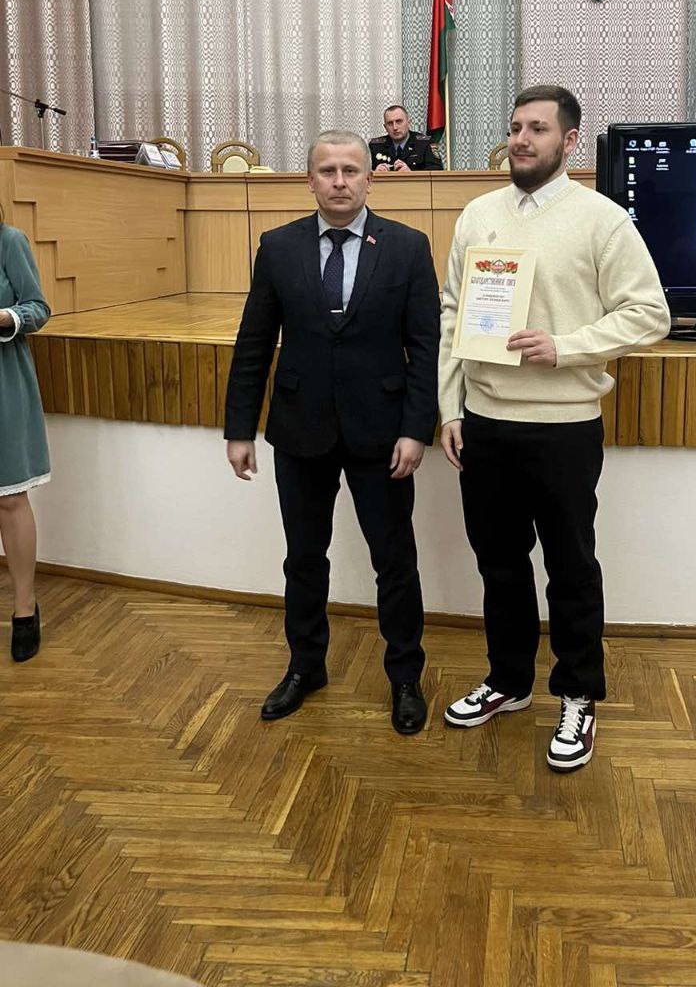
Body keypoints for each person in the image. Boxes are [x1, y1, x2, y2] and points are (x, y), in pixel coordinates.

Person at [438, 85, 670, 771]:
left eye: (538, 129)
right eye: (516, 127)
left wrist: (564, 346)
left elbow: (649, 314)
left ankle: (577, 694)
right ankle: (508, 681)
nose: (521, 139)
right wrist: (449, 408)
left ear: (569, 141)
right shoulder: (478, 214)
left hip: (563, 428)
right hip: (484, 424)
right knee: (499, 565)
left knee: (570, 568)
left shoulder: (603, 220)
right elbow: (452, 314)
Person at [224, 130, 440, 734]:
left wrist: (415, 428)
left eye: (350, 170)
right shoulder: (277, 247)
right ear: (310, 181)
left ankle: (405, 677)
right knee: (303, 559)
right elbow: (253, 342)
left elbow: (425, 347)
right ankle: (305, 667)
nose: (339, 181)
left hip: (384, 435)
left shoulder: (407, 247)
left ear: (370, 178)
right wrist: (239, 429)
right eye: (328, 171)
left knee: (394, 562)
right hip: (300, 431)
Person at [0, 204, 51, 662]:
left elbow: (37, 308)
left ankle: (24, 608)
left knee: (10, 499)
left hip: (3, 385)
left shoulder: (9, 241)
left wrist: (4, 317)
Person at [369, 105, 444, 173]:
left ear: (409, 123)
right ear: (385, 127)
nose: (395, 127)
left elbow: (437, 171)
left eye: (399, 122)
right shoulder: (375, 146)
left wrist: (411, 174)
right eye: (390, 123)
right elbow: (364, 173)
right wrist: (374, 173)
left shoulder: (425, 143)